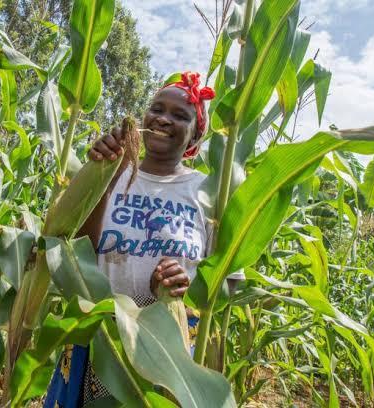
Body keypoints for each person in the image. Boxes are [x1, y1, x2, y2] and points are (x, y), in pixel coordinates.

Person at [44, 71, 216, 407]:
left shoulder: (208, 192)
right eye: (157, 109)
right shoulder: (112, 171)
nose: (163, 119)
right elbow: (75, 254)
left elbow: (227, 284)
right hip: (101, 334)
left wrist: (180, 288)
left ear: (195, 135)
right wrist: (104, 174)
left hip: (171, 345)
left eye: (180, 115)